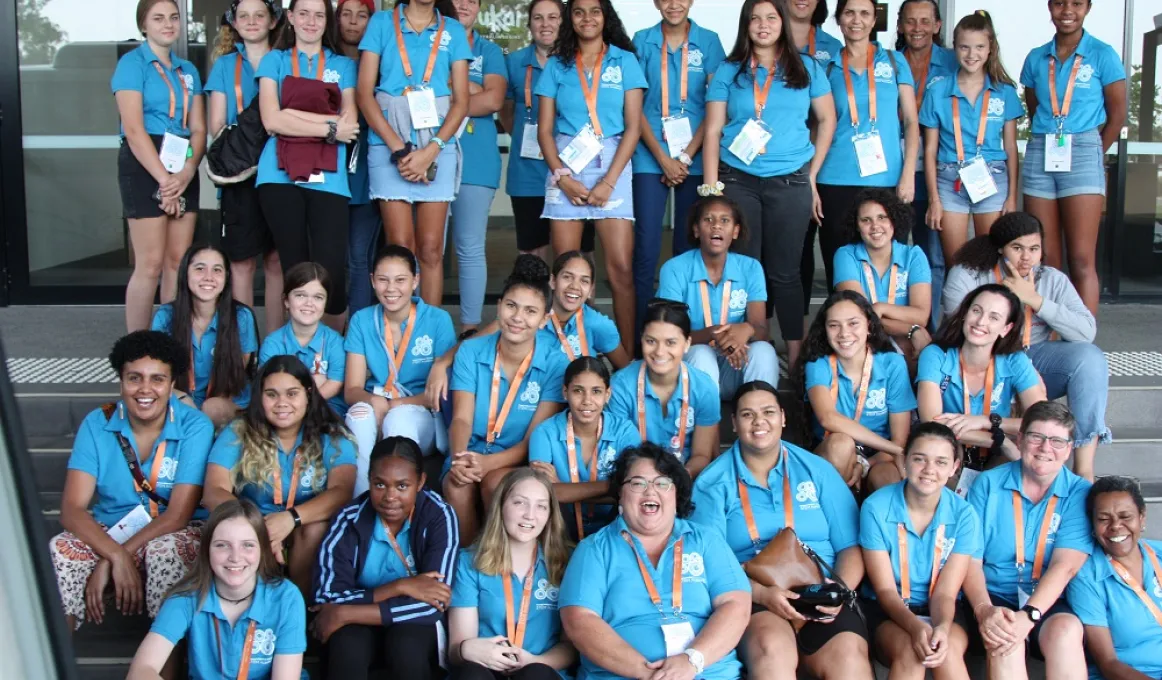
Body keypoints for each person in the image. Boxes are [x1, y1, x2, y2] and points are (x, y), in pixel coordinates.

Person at [690, 381, 872, 680]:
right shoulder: (712, 483)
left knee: (849, 661)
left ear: (783, 418)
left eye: (768, 412)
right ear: (733, 423)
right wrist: (763, 593)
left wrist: (837, 592)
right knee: (771, 653)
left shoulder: (816, 470)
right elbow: (708, 565)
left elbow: (850, 546)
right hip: (756, 595)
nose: (759, 421)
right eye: (747, 415)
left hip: (821, 589)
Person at [702, 0, 836, 369]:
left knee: (785, 272)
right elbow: (713, 130)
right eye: (755, 18)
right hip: (737, 180)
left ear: (783, 22)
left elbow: (827, 120)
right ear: (746, 24)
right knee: (744, 267)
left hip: (790, 180)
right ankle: (750, 352)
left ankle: (794, 359)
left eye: (771, 17)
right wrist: (712, 189)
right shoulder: (730, 70)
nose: (763, 25)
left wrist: (811, 175)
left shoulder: (807, 68)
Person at [50, 331, 212, 633]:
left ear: (172, 384)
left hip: (176, 530)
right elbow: (72, 510)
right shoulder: (98, 422)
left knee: (166, 551)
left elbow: (178, 514)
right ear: (121, 381)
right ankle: (56, 663)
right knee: (62, 550)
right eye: (134, 378)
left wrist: (116, 558)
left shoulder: (194, 425)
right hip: (113, 530)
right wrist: (114, 554)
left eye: (158, 379)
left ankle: (163, 668)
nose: (145, 389)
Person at [560, 442, 752, 680]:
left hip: (705, 673)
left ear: (676, 493)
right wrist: (652, 675)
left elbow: (736, 604)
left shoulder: (706, 540)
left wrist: (691, 661)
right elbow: (580, 621)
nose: (650, 492)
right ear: (620, 494)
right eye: (638, 483)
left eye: (662, 483)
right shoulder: (593, 549)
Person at [943, 211, 1109, 481]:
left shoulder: (1052, 279)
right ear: (1000, 248)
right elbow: (959, 330)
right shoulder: (969, 274)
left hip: (1037, 358)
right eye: (1017, 248)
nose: (1026, 257)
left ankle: (1084, 468)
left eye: (1034, 249)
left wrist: (1035, 300)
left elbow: (1086, 331)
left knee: (1090, 359)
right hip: (987, 361)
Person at [536, 0, 646, 351]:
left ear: (605, 17)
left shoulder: (624, 61)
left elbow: (632, 129)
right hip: (566, 165)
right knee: (566, 276)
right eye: (579, 11)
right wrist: (561, 177)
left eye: (595, 11)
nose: (587, 18)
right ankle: (565, 354)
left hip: (612, 163)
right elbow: (544, 131)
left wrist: (609, 181)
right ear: (571, 18)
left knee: (620, 272)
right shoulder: (557, 63)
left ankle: (625, 358)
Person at [961, 401, 1093, 680]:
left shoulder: (1080, 493)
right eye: (1037, 437)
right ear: (1020, 440)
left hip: (1048, 597)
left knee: (1066, 631)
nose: (1046, 448)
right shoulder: (988, 484)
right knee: (1004, 637)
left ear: (1069, 449)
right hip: (994, 594)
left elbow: (1065, 567)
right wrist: (984, 610)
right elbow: (970, 560)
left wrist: (1029, 615)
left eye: (1057, 440)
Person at [203, 356, 358, 592]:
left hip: (304, 528)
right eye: (272, 394)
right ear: (260, 397)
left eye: (292, 394)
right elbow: (213, 490)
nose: (281, 403)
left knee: (315, 530)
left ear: (308, 393)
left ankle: (302, 611)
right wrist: (253, 526)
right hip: (250, 526)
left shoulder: (331, 434)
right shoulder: (239, 430)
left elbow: (342, 492)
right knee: (230, 533)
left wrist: (290, 518)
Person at [312, 437, 460, 680]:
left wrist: (345, 613)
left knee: (406, 646)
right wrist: (400, 586)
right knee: (348, 645)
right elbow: (326, 598)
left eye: (402, 486)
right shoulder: (349, 520)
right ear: (369, 480)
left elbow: (433, 603)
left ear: (420, 482)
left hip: (413, 622)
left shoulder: (439, 515)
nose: (390, 496)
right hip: (360, 626)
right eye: (380, 485)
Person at [446, 256, 569, 544]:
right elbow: (461, 418)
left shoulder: (555, 363)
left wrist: (488, 464)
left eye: (530, 311)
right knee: (456, 485)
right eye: (511, 306)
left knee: (496, 483)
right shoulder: (471, 351)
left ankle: (504, 564)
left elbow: (533, 438)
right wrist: (460, 457)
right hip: (470, 449)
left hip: (518, 456)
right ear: (499, 306)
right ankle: (468, 565)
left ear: (543, 320)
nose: (517, 317)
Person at [358, 0, 471, 307]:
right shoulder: (382, 23)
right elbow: (364, 93)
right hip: (389, 138)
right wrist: (400, 149)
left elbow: (462, 101)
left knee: (432, 248)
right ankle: (400, 330)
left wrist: (431, 151)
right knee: (400, 248)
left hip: (438, 139)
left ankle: (430, 332)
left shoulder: (454, 30)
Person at [255, 0, 360, 330]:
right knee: (295, 271)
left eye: (318, 15)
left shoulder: (343, 66)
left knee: (331, 272)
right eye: (303, 13)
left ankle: (331, 353)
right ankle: (295, 355)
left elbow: (350, 123)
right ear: (290, 18)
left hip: (329, 176)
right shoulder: (275, 60)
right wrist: (328, 126)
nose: (311, 21)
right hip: (278, 175)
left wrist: (292, 116)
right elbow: (271, 120)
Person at [1019, 0, 1126, 315]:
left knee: (1080, 257)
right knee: (1046, 257)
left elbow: (1117, 115)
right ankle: (1048, 337)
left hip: (1082, 151)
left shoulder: (1102, 54)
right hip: (1042, 150)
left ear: (1088, 8)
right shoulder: (1037, 57)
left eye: (1077, 3)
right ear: (1049, 7)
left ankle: (1082, 341)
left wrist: (1093, 151)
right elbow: (1035, 106)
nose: (1068, 10)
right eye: (1060, 3)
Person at [630, 0, 726, 342]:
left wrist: (685, 156)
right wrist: (663, 158)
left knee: (688, 245)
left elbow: (716, 107)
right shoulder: (641, 41)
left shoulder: (710, 41)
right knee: (645, 248)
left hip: (696, 157)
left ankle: (680, 334)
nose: (674, 4)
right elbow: (634, 106)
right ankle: (645, 335)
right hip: (648, 154)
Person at [125, 499, 306, 680]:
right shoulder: (186, 597)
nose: (235, 557)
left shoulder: (286, 597)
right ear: (207, 550)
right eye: (222, 545)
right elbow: (141, 670)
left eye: (248, 545)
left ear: (262, 550)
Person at [811, 0, 919, 301]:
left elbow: (910, 122)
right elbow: (817, 125)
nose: (856, 20)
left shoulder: (895, 62)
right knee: (841, 266)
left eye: (864, 14)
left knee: (889, 268)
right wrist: (811, 179)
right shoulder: (827, 67)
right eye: (849, 13)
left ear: (874, 20)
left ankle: (886, 336)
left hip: (885, 178)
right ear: (839, 19)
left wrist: (908, 172)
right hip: (835, 178)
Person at [859, 422, 980, 680]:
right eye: (920, 459)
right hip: (889, 609)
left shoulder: (965, 514)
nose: (929, 470)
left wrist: (942, 628)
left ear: (954, 468)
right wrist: (915, 627)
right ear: (904, 460)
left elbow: (946, 592)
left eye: (940, 462)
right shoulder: (876, 508)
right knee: (911, 653)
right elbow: (885, 590)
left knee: (945, 652)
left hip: (943, 610)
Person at [114, 0, 206, 332]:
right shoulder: (131, 64)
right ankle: (137, 349)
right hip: (146, 160)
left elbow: (199, 129)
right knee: (150, 264)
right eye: (158, 18)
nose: (167, 24)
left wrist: (186, 171)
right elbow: (134, 129)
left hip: (181, 159)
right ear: (144, 25)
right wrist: (164, 179)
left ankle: (169, 344)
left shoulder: (188, 70)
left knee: (176, 263)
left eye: (173, 17)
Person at [921, 10, 1023, 291]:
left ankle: (990, 327)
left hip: (991, 178)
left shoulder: (1004, 92)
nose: (971, 54)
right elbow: (929, 150)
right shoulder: (938, 90)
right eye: (964, 46)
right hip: (949, 178)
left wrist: (1012, 196)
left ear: (990, 49)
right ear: (955, 48)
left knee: (991, 260)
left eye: (979, 47)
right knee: (958, 265)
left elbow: (1011, 148)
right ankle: (958, 327)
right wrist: (933, 200)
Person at [449, 468, 577, 679]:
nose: (530, 514)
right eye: (520, 503)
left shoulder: (567, 561)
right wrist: (466, 649)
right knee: (471, 674)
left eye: (541, 506)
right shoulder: (469, 561)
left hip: (540, 669)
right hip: (487, 670)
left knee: (535, 675)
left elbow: (571, 646)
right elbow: (456, 650)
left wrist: (535, 661)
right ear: (501, 506)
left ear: (550, 515)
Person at [344, 245, 457, 485]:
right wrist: (373, 401)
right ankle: (360, 502)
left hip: (420, 412)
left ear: (415, 280)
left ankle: (401, 505)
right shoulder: (362, 320)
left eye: (400, 280)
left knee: (399, 420)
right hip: (377, 402)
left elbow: (436, 394)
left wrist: (394, 404)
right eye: (383, 280)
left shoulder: (438, 319)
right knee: (358, 416)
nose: (391, 288)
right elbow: (351, 390)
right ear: (372, 281)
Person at [206, 0, 285, 334]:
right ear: (234, 24)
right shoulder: (225, 66)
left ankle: (273, 347)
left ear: (272, 22)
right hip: (240, 177)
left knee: (277, 262)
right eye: (244, 16)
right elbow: (216, 126)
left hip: (281, 171)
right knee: (240, 263)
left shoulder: (286, 60)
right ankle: (244, 348)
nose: (251, 21)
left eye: (259, 15)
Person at [916, 284, 1047, 483]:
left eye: (994, 317)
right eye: (976, 310)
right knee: (940, 457)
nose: (980, 321)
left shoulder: (1015, 360)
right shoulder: (936, 355)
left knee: (1027, 461)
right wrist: (998, 439)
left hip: (995, 456)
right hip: (951, 447)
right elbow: (932, 421)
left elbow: (1042, 422)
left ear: (1006, 328)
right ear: (965, 313)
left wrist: (988, 421)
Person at [501, 0, 597, 264]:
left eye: (553, 17)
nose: (546, 25)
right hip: (527, 172)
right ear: (529, 24)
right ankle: (535, 305)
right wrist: (529, 139)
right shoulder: (515, 62)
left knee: (579, 252)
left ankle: (581, 306)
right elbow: (506, 111)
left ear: (563, 22)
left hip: (575, 169)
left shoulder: (580, 61)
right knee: (533, 252)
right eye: (538, 18)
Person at [657, 195, 779, 394]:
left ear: (735, 231)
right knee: (701, 353)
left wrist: (746, 329)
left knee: (764, 351)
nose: (716, 226)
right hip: (692, 365)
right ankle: (706, 422)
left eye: (725, 220)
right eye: (708, 220)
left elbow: (761, 330)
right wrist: (713, 333)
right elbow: (669, 336)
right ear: (696, 230)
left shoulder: (750, 268)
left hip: (737, 362)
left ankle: (758, 417)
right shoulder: (674, 269)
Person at [794, 291, 916, 491]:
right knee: (840, 445)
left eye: (853, 323)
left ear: (869, 325)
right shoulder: (819, 364)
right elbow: (828, 418)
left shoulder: (892, 363)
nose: (843, 333)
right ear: (825, 330)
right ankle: (840, 519)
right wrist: (895, 450)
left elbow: (899, 438)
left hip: (880, 452)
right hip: (831, 448)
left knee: (888, 477)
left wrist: (865, 464)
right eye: (834, 325)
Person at [529, 357, 642, 541]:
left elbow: (633, 491)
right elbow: (544, 493)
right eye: (578, 391)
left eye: (596, 391)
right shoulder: (545, 433)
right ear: (565, 393)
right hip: (560, 527)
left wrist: (565, 490)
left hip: (615, 526)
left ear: (608, 394)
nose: (587, 401)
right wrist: (612, 487)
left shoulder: (625, 431)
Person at [445, 0, 507, 333]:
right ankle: (426, 323)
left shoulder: (490, 51)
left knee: (469, 246)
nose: (463, 4)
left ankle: (469, 328)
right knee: (428, 246)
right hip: (432, 155)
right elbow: (421, 94)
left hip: (476, 160)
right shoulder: (429, 43)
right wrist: (470, 90)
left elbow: (494, 100)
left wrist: (449, 95)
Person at [607, 299, 720, 479]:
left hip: (685, 480)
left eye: (670, 343)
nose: (659, 352)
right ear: (641, 339)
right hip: (635, 480)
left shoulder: (704, 387)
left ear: (687, 343)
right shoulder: (620, 386)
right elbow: (621, 453)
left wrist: (679, 478)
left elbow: (702, 455)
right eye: (651, 341)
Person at [895, 0, 957, 325]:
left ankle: (932, 329)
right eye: (910, 21)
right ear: (901, 25)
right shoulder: (888, 62)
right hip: (896, 167)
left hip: (937, 168)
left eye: (924, 21)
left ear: (936, 26)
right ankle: (896, 327)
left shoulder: (953, 62)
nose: (917, 28)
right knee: (892, 250)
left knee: (933, 254)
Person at [151, 244, 259, 428]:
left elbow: (236, 375)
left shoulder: (241, 316)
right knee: (180, 407)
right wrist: (183, 398)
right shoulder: (166, 315)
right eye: (200, 269)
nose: (208, 277)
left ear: (226, 277)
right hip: (181, 396)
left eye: (217, 270)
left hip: (226, 399)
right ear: (186, 273)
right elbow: (157, 372)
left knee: (211, 409)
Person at [1068, 476, 1162, 680]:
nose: (1116, 526)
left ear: (1142, 518)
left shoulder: (1160, 554)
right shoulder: (1086, 577)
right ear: (1092, 525)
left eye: (1125, 516)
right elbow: (1108, 663)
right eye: (1103, 519)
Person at [833, 188, 932, 356]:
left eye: (882, 217)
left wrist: (880, 308)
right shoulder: (846, 255)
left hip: (904, 343)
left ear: (893, 220)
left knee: (925, 354)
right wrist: (910, 329)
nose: (875, 226)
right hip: (860, 340)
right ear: (856, 226)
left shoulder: (913, 255)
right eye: (866, 220)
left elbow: (921, 316)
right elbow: (858, 317)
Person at [336, 0, 381, 314]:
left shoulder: (380, 66)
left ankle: (358, 328)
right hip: (326, 175)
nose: (353, 22)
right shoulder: (322, 62)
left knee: (359, 256)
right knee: (327, 256)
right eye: (346, 14)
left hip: (366, 174)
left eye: (362, 15)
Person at [259, 262, 348, 416]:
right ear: (286, 301)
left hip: (326, 410)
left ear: (326, 303)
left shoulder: (335, 342)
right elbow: (269, 386)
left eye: (318, 297)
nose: (309, 303)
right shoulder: (273, 344)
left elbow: (336, 383)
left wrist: (304, 399)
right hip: (284, 411)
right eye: (300, 295)